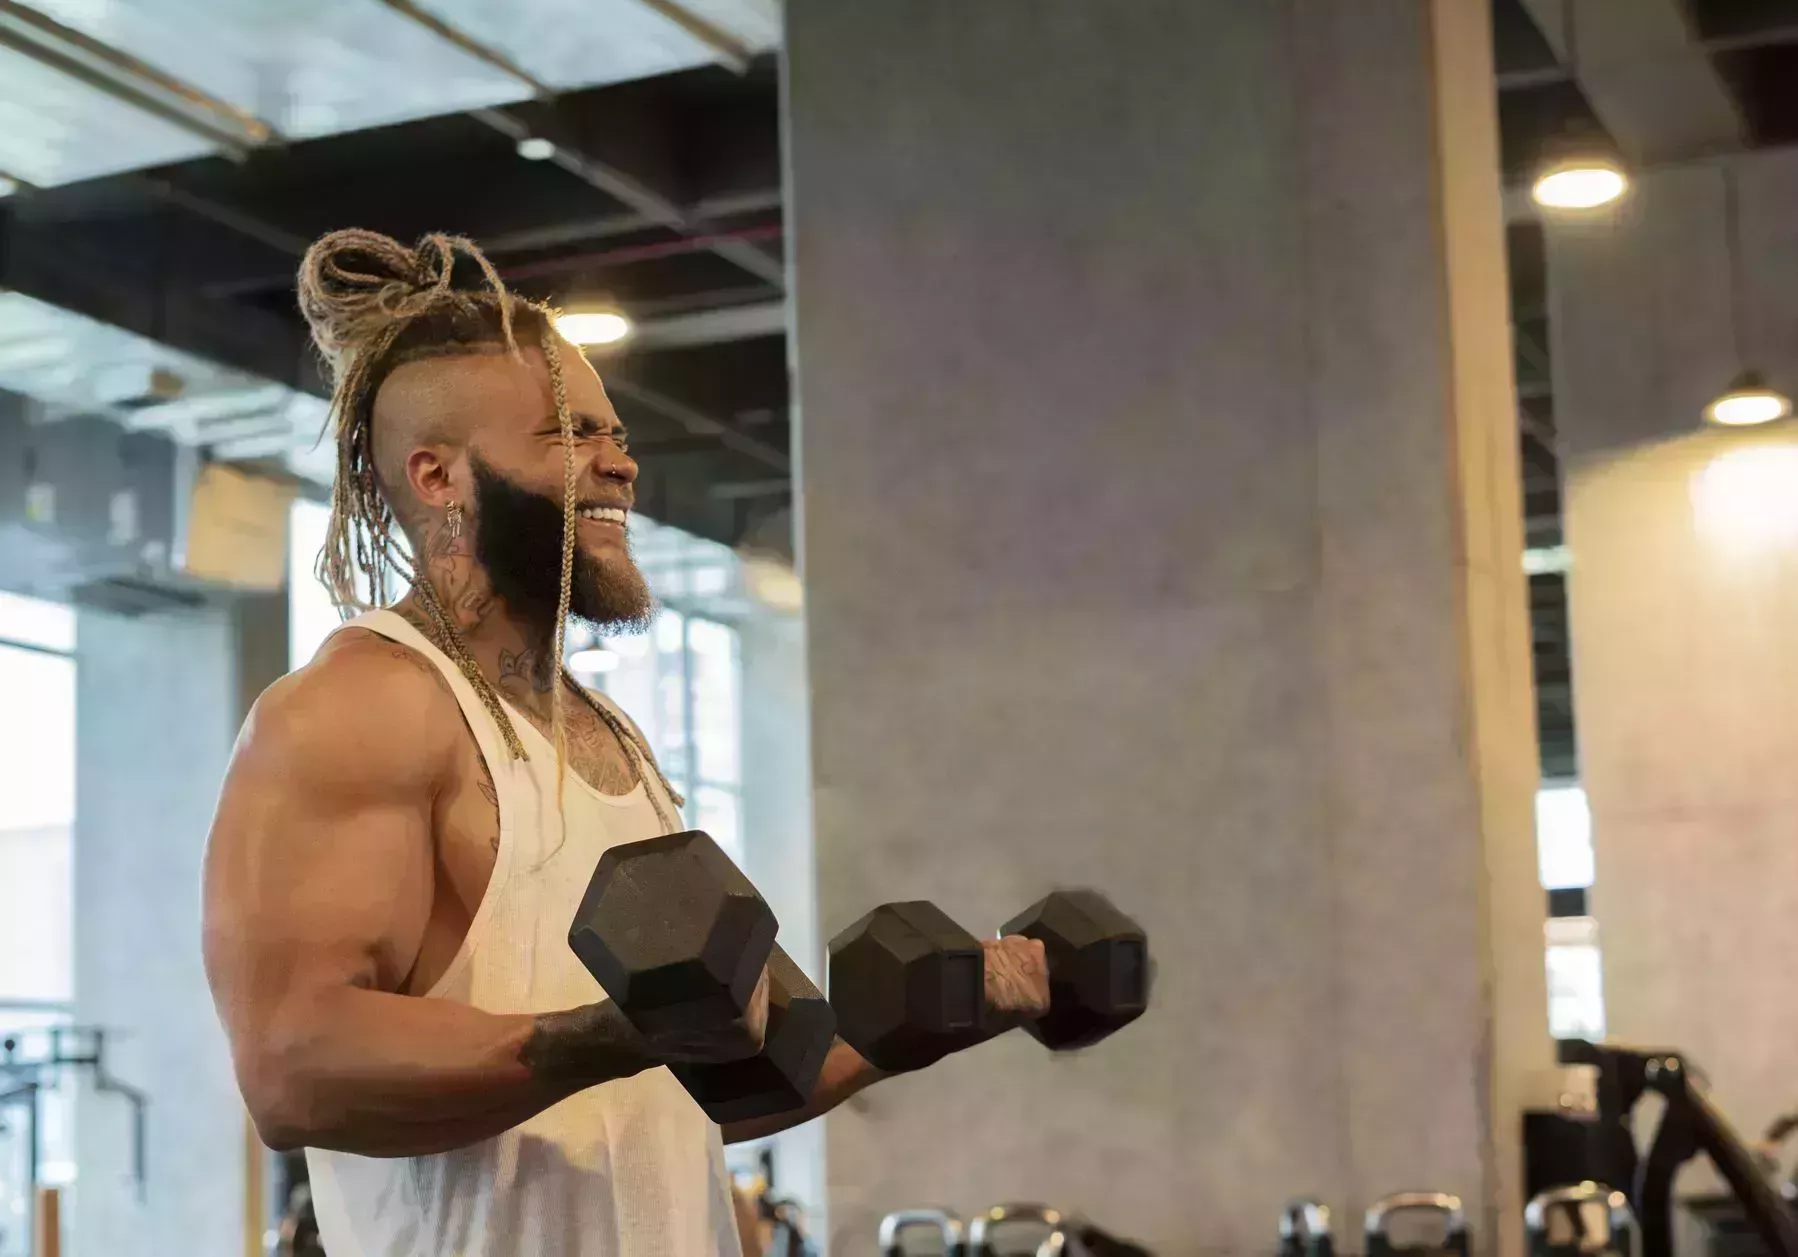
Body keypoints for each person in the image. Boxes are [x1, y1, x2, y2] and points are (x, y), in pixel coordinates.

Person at [201, 229, 1050, 1257]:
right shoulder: (360, 711)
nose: (621, 462)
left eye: (615, 431)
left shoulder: (608, 734)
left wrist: (943, 1009)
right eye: (569, 434)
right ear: (438, 477)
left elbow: (740, 1074)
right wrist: (616, 1033)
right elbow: (294, 1066)